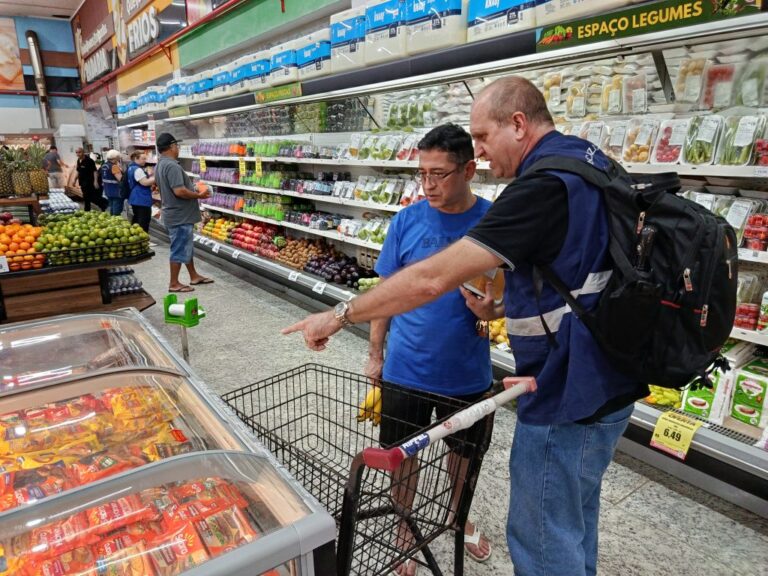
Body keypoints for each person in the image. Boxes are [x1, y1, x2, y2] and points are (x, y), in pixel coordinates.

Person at [283, 76, 649, 576]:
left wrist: (339, 313)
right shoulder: (589, 162)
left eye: (481, 137)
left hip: (570, 391)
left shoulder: (539, 187)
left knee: (543, 539)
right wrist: (500, 313)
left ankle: (464, 525)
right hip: (606, 379)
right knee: (573, 523)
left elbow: (431, 278)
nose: (480, 150)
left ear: (518, 124)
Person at [367, 124, 493, 575]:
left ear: (469, 170)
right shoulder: (407, 220)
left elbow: (513, 292)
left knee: (463, 456)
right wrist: (376, 353)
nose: (429, 185)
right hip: (406, 366)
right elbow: (385, 291)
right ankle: (405, 526)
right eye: (422, 174)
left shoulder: (494, 221)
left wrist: (495, 312)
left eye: (439, 174)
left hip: (467, 371)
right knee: (404, 455)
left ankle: (458, 520)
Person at [155, 132, 214, 292]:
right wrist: (199, 195)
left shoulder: (160, 164)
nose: (178, 148)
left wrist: (192, 188)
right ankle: (174, 283)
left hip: (174, 213)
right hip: (179, 216)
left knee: (185, 246)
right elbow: (179, 191)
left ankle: (194, 275)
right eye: (177, 145)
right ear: (172, 146)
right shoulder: (172, 165)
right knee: (179, 248)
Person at [126, 151, 156, 233]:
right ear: (136, 158)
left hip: (135, 198)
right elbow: (145, 182)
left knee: (137, 219)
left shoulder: (131, 167)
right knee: (143, 221)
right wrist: (156, 177)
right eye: (143, 159)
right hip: (141, 198)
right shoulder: (137, 169)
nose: (145, 161)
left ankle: (135, 238)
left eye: (145, 159)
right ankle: (142, 239)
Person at [74, 147, 106, 212]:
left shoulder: (89, 160)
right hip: (83, 182)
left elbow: (95, 171)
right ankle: (88, 210)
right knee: (86, 197)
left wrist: (95, 181)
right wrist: (74, 180)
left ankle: (103, 204)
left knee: (92, 197)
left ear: (83, 152)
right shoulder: (78, 160)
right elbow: (78, 171)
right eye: (76, 152)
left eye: (79, 152)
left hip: (90, 182)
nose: (78, 154)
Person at [100, 149, 124, 216]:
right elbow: (120, 178)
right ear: (116, 157)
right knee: (117, 209)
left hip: (107, 190)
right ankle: (116, 221)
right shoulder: (114, 166)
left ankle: (111, 220)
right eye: (118, 157)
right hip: (116, 191)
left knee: (112, 207)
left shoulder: (104, 165)